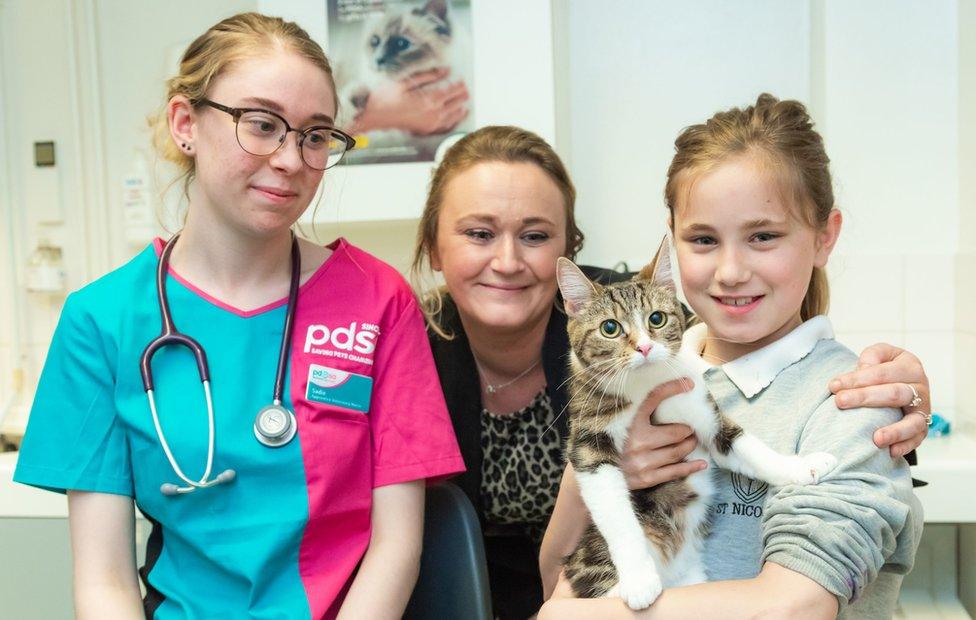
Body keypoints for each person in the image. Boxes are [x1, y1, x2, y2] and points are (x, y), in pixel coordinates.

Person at [13, 13, 463, 619]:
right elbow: (105, 584)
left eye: (314, 135)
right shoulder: (102, 322)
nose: (289, 159)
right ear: (184, 125)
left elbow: (397, 548)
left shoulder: (379, 302)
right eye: (261, 125)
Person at [410, 125, 932, 619]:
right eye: (703, 240)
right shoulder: (635, 372)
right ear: (673, 243)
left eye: (764, 236)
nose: (730, 271)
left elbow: (794, 604)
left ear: (824, 236)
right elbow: (562, 578)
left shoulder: (855, 399)